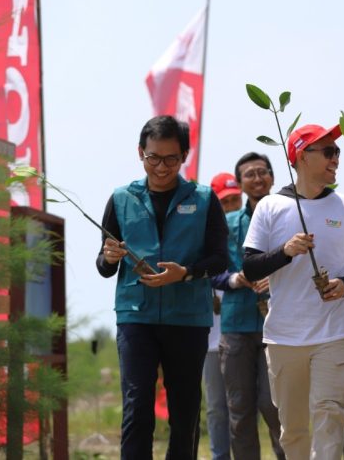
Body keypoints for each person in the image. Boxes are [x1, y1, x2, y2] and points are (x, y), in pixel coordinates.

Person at [96, 115, 228, 459]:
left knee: (185, 411)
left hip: (187, 319)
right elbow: (104, 267)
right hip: (135, 317)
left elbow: (219, 260)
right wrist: (109, 258)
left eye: (170, 158)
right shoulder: (121, 199)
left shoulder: (203, 198)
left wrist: (184, 273)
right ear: (141, 153)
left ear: (184, 155)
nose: (161, 166)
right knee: (137, 405)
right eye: (153, 157)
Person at [242, 124, 344, 460]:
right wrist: (285, 251)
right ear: (301, 156)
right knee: (293, 430)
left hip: (337, 334)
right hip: (285, 337)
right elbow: (251, 267)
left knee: (330, 418)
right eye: (328, 151)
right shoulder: (270, 206)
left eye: (337, 152)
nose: (336, 159)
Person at [212, 155, 284, 460]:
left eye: (262, 172)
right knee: (239, 409)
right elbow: (212, 270)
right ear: (240, 184)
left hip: (281, 325)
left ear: (271, 177)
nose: (257, 179)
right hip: (236, 325)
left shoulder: (290, 217)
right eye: (249, 175)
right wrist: (235, 279)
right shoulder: (226, 224)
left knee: (275, 404)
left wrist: (276, 278)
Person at [203, 172, 242, 460]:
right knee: (217, 406)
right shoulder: (205, 239)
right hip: (211, 341)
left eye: (235, 199)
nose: (230, 206)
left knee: (246, 405)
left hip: (241, 333)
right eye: (224, 201)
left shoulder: (246, 235)